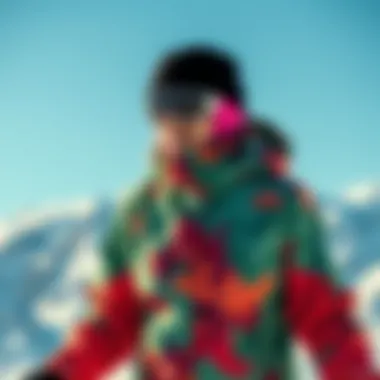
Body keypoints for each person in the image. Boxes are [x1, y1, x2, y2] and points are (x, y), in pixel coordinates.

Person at [28, 46, 378, 380]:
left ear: (229, 115)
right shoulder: (142, 211)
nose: (171, 120)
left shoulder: (279, 206)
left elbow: (327, 320)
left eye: (188, 104)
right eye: (159, 106)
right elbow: (112, 322)